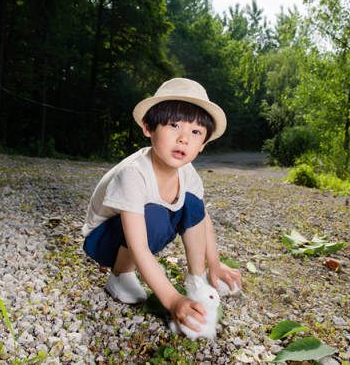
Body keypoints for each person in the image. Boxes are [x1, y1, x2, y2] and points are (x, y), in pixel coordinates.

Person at [82, 78, 242, 334]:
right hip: (104, 240)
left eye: (195, 132)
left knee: (192, 203)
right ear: (149, 127)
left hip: (143, 228)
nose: (183, 139)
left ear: (202, 145)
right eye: (174, 125)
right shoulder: (133, 174)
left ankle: (197, 279)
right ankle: (121, 275)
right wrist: (173, 300)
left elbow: (202, 218)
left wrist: (215, 263)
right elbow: (140, 246)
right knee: (155, 215)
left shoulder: (187, 172)